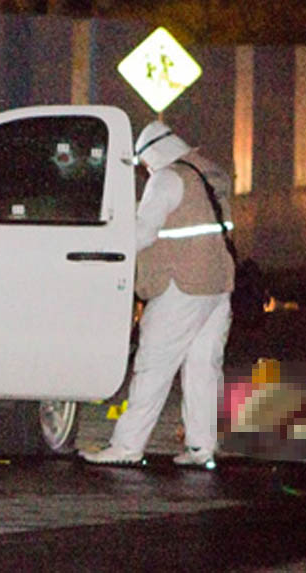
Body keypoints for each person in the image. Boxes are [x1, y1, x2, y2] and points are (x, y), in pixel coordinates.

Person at [80, 120, 235, 469]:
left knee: (153, 366)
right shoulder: (212, 173)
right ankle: (202, 447)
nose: (146, 170)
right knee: (203, 368)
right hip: (218, 285)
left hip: (181, 286)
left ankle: (126, 446)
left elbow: (142, 234)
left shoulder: (166, 179)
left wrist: (102, 244)